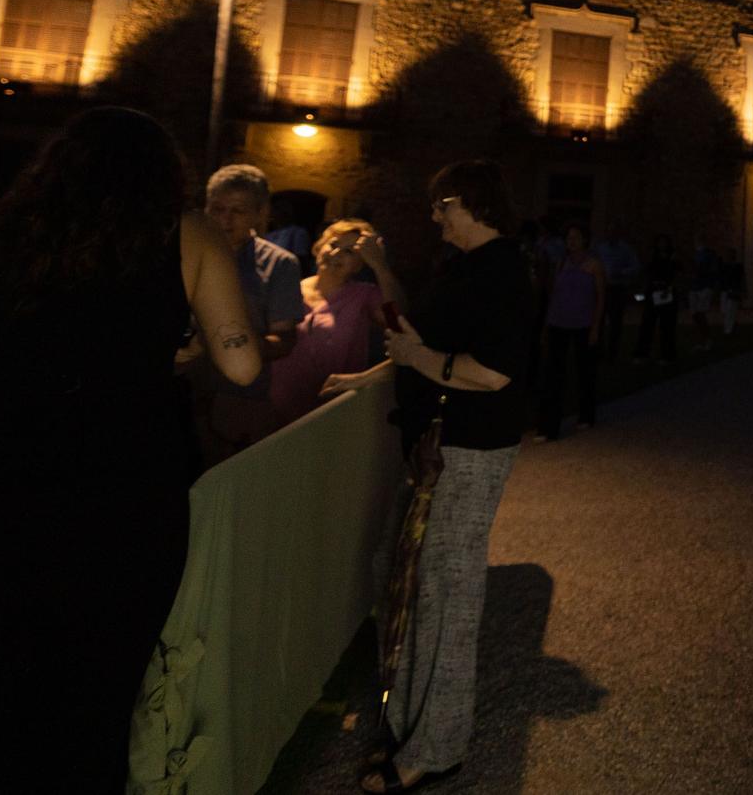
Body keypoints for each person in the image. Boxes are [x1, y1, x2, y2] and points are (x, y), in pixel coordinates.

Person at [0, 106, 261, 792]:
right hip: (119, 508)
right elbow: (242, 365)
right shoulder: (187, 236)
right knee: (80, 712)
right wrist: (173, 352)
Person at [320, 160, 534, 795]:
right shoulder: (463, 268)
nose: (435, 216)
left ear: (473, 204)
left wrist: (417, 357)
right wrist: (395, 358)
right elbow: (422, 339)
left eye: (444, 206)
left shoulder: (503, 272)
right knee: (410, 577)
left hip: (469, 448)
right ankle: (408, 719)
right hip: (436, 445)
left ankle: (436, 746)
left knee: (447, 591)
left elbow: (494, 373)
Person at [190, 163, 305, 462]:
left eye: (238, 211)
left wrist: (230, 345)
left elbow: (285, 339)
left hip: (239, 398)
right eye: (217, 209)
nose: (225, 220)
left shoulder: (279, 264)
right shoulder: (187, 253)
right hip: (185, 389)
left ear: (259, 213)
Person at [268, 219, 406, 430]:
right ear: (317, 247)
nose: (336, 254)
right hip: (276, 411)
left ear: (360, 264)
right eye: (333, 245)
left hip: (331, 411)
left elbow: (400, 321)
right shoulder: (289, 289)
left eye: (350, 252)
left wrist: (380, 266)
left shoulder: (364, 295)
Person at [535, 222, 605, 440]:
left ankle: (586, 414)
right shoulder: (561, 264)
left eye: (575, 237)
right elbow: (555, 296)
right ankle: (548, 427)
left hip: (582, 324)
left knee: (584, 372)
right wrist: (546, 326)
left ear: (584, 239)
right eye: (569, 238)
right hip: (559, 323)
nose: (571, 241)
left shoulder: (594, 265)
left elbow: (601, 298)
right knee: (553, 375)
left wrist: (595, 327)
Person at [595, 224, 641, 360]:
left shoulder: (625, 249)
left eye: (614, 233)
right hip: (602, 287)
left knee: (615, 322)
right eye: (609, 232)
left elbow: (636, 266)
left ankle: (612, 352)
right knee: (599, 319)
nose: (611, 235)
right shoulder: (600, 248)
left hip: (617, 289)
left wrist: (621, 273)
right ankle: (599, 350)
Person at [634, 234, 679, 364]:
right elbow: (647, 273)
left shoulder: (673, 257)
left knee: (667, 326)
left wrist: (669, 288)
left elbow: (677, 275)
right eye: (660, 242)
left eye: (664, 242)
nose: (662, 245)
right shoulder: (653, 257)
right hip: (653, 292)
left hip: (667, 292)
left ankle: (667, 354)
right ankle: (642, 353)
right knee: (647, 324)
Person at [717, 246, 746, 337]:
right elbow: (721, 277)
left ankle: (728, 330)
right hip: (725, 290)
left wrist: (742, 290)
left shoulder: (738, 266)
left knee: (731, 310)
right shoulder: (724, 266)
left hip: (733, 290)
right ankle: (730, 327)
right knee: (725, 310)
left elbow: (742, 279)